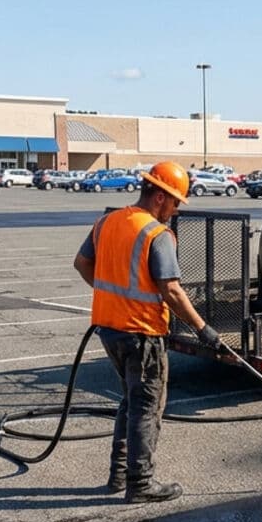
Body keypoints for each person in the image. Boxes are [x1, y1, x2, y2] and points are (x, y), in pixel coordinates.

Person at [74, 161, 222, 503]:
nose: (175, 209)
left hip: (109, 330)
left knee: (130, 400)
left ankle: (118, 475)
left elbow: (82, 263)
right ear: (160, 196)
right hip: (142, 334)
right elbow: (171, 290)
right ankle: (140, 484)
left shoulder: (107, 222)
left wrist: (109, 297)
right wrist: (204, 330)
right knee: (146, 407)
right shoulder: (156, 234)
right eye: (175, 202)